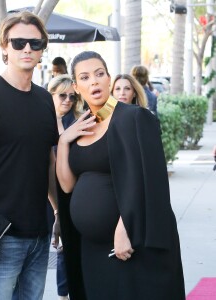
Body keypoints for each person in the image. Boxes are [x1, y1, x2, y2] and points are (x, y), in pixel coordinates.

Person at [56, 51, 185, 300]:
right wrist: (63, 142)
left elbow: (149, 179)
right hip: (92, 247)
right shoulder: (81, 127)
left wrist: (126, 228)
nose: (93, 81)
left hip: (129, 244)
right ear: (76, 86)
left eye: (99, 74)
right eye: (85, 77)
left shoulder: (134, 117)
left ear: (108, 79)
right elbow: (67, 186)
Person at [0, 11, 60, 300]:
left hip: (40, 232)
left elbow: (48, 161)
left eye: (34, 42)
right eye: (18, 43)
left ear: (43, 48)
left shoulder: (45, 99)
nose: (27, 48)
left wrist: (58, 212)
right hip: (0, 234)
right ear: (4, 47)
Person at [48, 74, 84, 300]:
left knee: (70, 247)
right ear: (51, 94)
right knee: (59, 247)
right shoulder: (40, 122)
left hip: (73, 192)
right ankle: (62, 294)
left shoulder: (78, 120)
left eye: (72, 96)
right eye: (62, 95)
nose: (67, 100)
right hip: (46, 194)